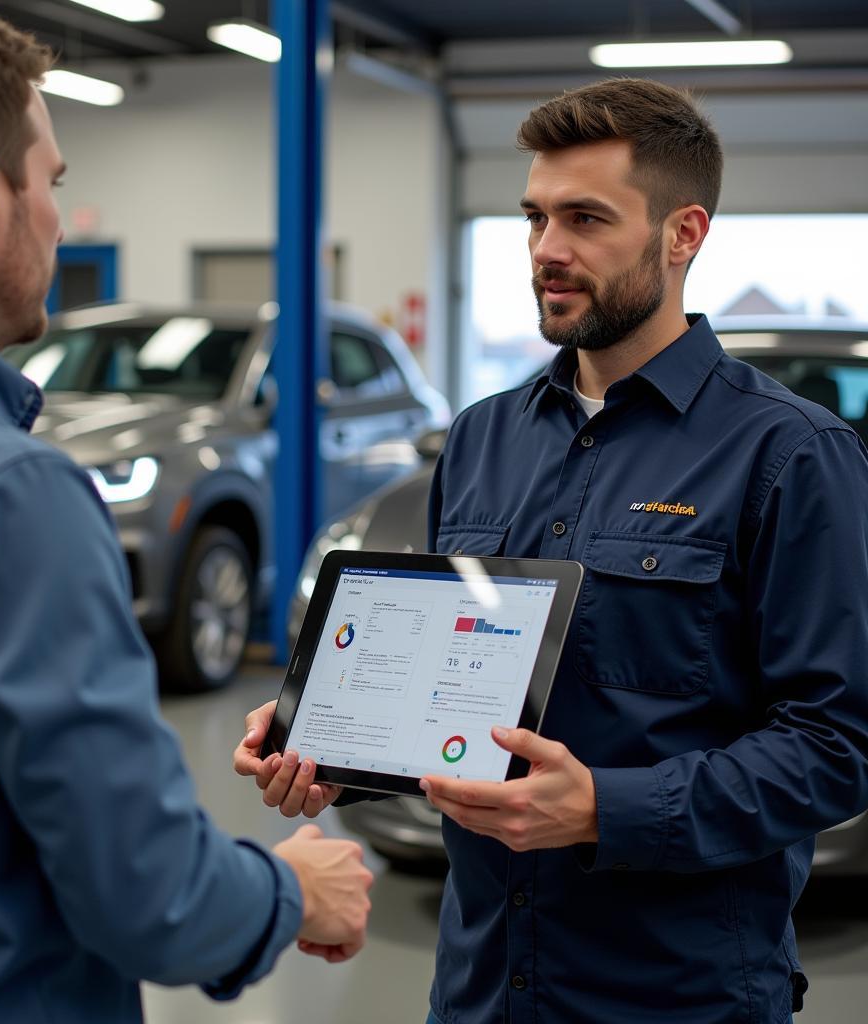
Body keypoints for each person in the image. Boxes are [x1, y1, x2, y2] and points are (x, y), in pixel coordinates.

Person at [235, 77, 868, 1022]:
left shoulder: (789, 454)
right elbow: (455, 687)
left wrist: (605, 809)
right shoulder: (483, 438)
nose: (547, 252)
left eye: (585, 219)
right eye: (534, 217)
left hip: (675, 996)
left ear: (683, 233)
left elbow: (838, 745)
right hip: (484, 986)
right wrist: (337, 749)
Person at [0, 2, 373, 1022]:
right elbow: (149, 893)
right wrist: (295, 887)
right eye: (54, 183)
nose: (54, 214)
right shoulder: (5, 494)